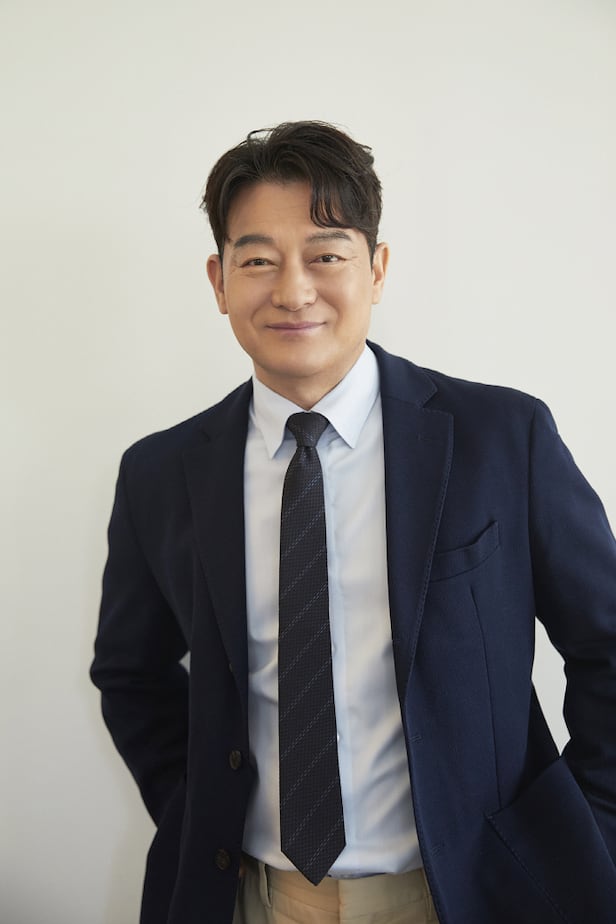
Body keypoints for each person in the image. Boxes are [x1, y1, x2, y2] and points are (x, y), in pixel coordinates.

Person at [91, 121, 616, 924]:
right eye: (257, 260)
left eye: (326, 255)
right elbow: (132, 673)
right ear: (219, 280)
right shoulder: (160, 473)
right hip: (256, 897)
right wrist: (199, 813)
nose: (293, 290)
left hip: (468, 893)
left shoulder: (501, 438)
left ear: (377, 268)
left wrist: (584, 829)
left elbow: (607, 643)